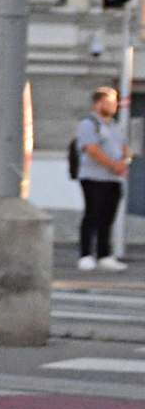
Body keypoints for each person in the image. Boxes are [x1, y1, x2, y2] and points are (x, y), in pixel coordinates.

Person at [75, 83, 131, 271]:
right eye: (110, 102)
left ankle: (104, 254)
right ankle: (85, 254)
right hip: (93, 178)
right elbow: (92, 149)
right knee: (92, 214)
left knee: (108, 217)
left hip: (113, 179)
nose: (114, 106)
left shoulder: (115, 126)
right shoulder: (89, 124)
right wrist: (113, 164)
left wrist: (125, 161)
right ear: (98, 103)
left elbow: (125, 147)